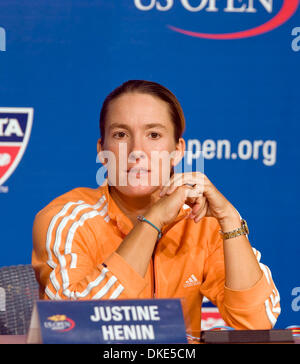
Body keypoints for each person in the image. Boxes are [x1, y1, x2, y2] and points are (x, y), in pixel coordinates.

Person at [32, 80, 280, 339]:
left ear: (177, 151)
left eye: (153, 135)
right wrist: (153, 221)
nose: (136, 151)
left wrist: (229, 219)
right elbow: (73, 328)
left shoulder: (200, 220)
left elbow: (257, 320)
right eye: (120, 134)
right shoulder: (67, 220)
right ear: (102, 150)